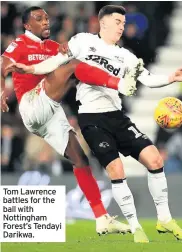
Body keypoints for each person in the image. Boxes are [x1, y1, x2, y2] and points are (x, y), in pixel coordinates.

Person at [9, 5, 182, 243]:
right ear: (103, 23)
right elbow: (55, 62)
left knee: (155, 159)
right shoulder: (82, 41)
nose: (122, 27)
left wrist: (170, 78)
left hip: (117, 115)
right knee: (116, 169)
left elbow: (147, 78)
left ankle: (164, 219)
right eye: (118, 22)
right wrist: (30, 69)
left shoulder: (126, 55)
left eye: (124, 23)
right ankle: (136, 227)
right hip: (91, 117)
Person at [0, 6, 139, 235]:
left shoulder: (55, 47)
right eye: (38, 19)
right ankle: (119, 84)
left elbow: (84, 65)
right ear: (26, 25)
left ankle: (102, 218)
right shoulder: (20, 44)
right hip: (31, 104)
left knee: (80, 159)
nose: (45, 22)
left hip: (51, 111)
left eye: (46, 18)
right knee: (72, 68)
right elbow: (3, 64)